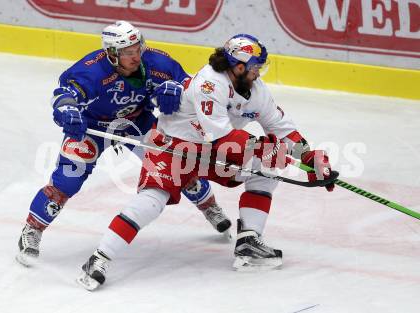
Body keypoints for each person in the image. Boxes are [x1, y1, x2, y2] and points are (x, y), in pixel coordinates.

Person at [77, 33, 335, 291]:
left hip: (212, 151)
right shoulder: (209, 83)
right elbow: (223, 138)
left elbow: (282, 128)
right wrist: (261, 147)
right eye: (256, 67)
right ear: (239, 66)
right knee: (152, 202)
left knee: (265, 169)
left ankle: (248, 243)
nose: (259, 73)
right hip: (174, 148)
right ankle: (100, 258)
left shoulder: (256, 90)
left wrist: (309, 158)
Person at [16, 21, 232, 267]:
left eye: (138, 48)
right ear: (111, 53)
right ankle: (33, 228)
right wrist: (68, 111)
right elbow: (64, 93)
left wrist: (175, 89)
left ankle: (210, 207)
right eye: (128, 52)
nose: (136, 55)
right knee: (68, 178)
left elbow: (188, 84)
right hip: (92, 126)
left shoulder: (157, 62)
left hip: (136, 122)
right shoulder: (92, 70)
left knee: (175, 165)